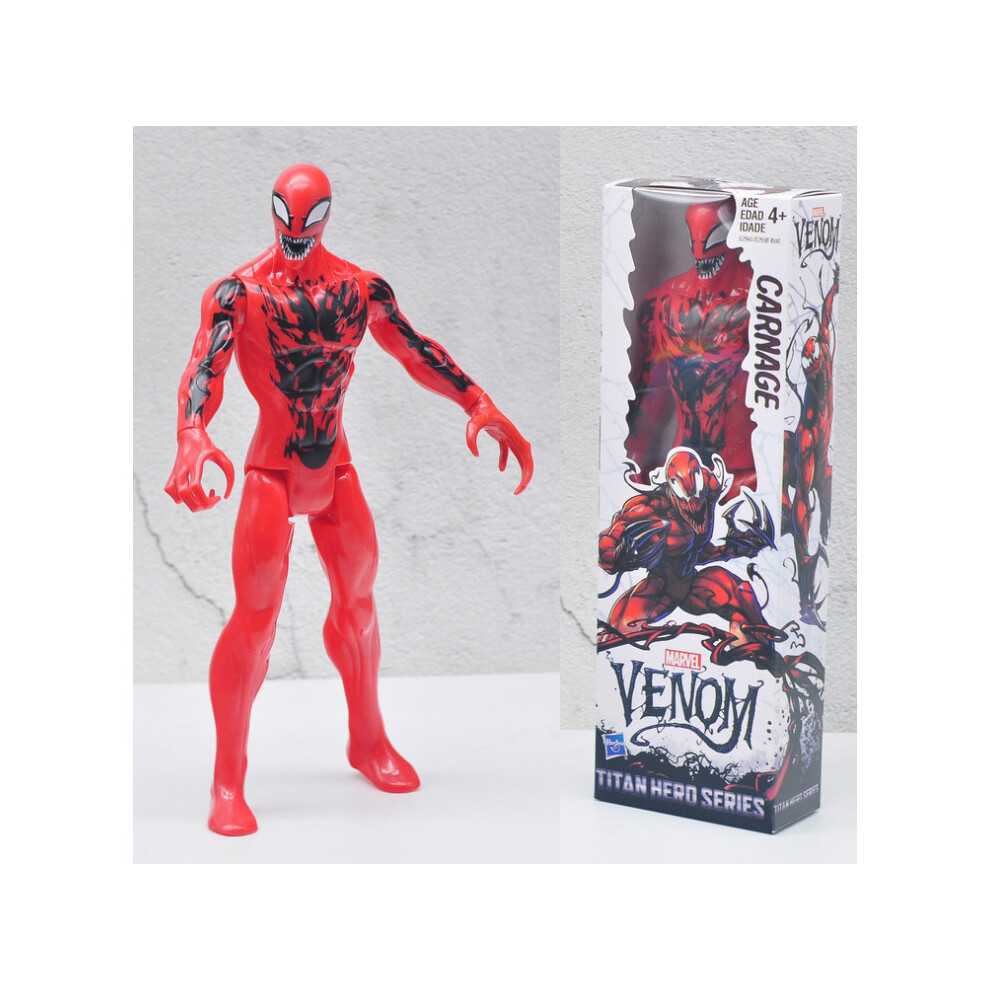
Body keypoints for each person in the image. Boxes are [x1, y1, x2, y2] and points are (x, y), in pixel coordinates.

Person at [165, 163, 533, 835]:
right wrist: (192, 433)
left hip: (334, 467)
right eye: (286, 216)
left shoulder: (360, 290)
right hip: (271, 470)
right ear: (273, 212)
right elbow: (205, 367)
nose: (296, 231)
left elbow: (414, 349)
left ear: (327, 216)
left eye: (308, 218)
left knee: (359, 604)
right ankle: (227, 780)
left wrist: (477, 401)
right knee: (255, 619)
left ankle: (368, 741)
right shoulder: (239, 294)